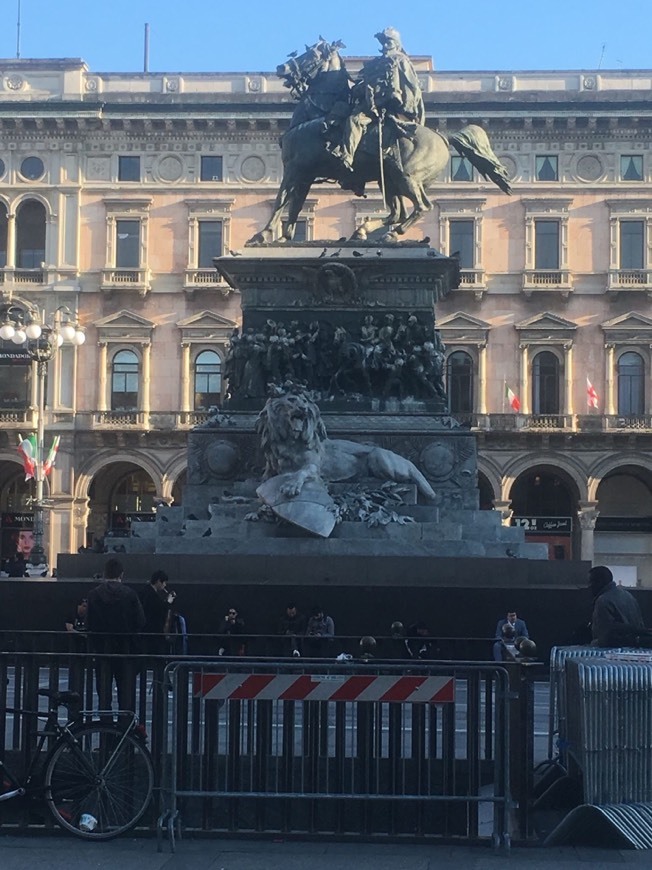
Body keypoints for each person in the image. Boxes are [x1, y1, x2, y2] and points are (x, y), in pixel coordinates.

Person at [329, 28, 425, 172]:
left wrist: (405, 106)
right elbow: (362, 84)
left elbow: (412, 86)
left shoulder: (400, 60)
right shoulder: (375, 65)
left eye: (389, 42)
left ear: (397, 44)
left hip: (385, 107)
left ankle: (346, 156)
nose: (385, 45)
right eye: (383, 42)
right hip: (370, 104)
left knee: (354, 121)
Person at [86, 558, 145, 719]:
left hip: (102, 650)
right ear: (122, 574)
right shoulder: (130, 594)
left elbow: (89, 623)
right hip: (125, 649)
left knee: (104, 696)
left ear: (105, 574)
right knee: (126, 697)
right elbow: (140, 621)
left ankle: (106, 734)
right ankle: (124, 734)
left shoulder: (94, 595)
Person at [589, 565, 645, 647]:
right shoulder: (628, 595)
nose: (589, 586)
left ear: (599, 582)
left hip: (613, 651)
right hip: (636, 647)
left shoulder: (603, 601)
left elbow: (604, 638)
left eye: (591, 582)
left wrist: (591, 645)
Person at [140, 569, 176, 653]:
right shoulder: (152, 596)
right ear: (159, 581)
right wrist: (168, 602)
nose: (165, 585)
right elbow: (159, 610)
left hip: (143, 632)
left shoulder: (144, 591)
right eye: (164, 583)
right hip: (152, 632)